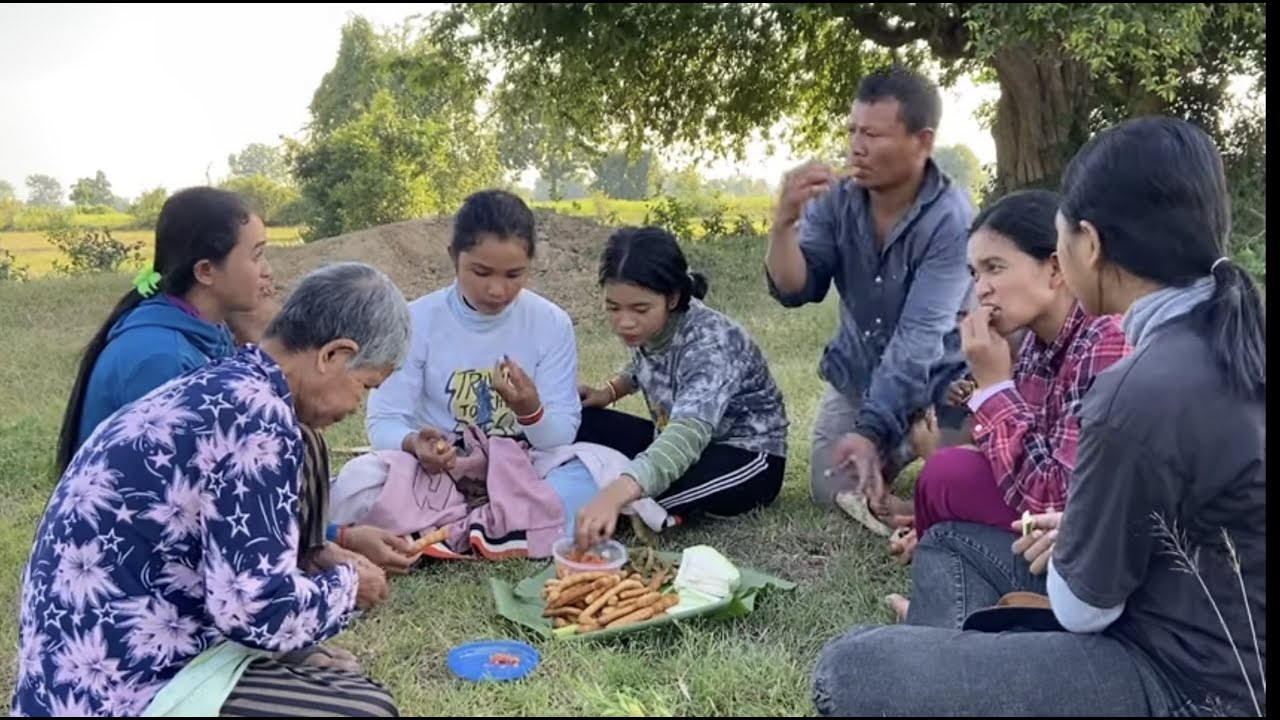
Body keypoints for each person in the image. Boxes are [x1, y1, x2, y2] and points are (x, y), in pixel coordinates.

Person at [810, 116, 1266, 717]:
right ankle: (970, 650)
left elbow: (1082, 608)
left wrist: (1077, 536)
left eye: (994, 269)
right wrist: (1078, 521)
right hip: (1196, 629)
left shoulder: (1134, 381)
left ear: (1086, 246)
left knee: (849, 668)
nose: (982, 290)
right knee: (950, 540)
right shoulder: (1227, 336)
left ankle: (965, 652)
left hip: (1184, 682)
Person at [12, 261, 412, 717]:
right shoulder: (259, 423)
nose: (358, 405)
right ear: (333, 355)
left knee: (341, 681)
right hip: (119, 685)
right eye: (364, 385)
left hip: (74, 668)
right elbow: (254, 611)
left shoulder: (231, 385)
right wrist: (349, 586)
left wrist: (317, 557)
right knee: (365, 710)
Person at [764, 65, 976, 531]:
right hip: (860, 374)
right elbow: (797, 288)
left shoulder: (951, 220)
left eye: (873, 135)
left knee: (963, 489)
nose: (856, 146)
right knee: (828, 487)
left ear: (922, 142)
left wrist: (868, 431)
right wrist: (783, 223)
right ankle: (891, 455)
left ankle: (915, 449)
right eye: (852, 131)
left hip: (942, 383)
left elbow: (921, 339)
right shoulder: (837, 200)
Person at [885, 190, 1130, 582]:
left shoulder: (1104, 339)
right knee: (947, 475)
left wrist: (995, 386)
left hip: (1087, 541)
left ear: (1055, 269)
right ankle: (939, 557)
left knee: (946, 473)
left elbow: (1056, 500)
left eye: (994, 268)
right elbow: (1016, 457)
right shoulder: (1035, 341)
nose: (980, 289)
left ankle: (953, 583)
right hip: (1048, 518)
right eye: (975, 274)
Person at [574, 225, 790, 548]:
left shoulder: (711, 342)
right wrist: (609, 391)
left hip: (746, 456)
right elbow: (644, 363)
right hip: (675, 435)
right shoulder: (650, 328)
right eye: (613, 307)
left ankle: (631, 506)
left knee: (637, 497)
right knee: (581, 420)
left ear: (672, 297)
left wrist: (617, 493)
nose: (624, 322)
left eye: (639, 309)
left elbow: (687, 435)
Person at [54, 186, 273, 475]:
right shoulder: (160, 359)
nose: (267, 270)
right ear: (205, 271)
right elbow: (180, 482)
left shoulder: (210, 332)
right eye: (256, 256)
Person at [365, 188, 581, 465]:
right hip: (437, 465)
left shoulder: (552, 324)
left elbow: (559, 437)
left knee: (589, 478)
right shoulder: (413, 322)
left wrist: (530, 411)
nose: (496, 290)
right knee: (359, 483)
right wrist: (414, 443)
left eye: (514, 274)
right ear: (453, 256)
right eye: (481, 272)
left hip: (522, 464)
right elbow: (384, 421)